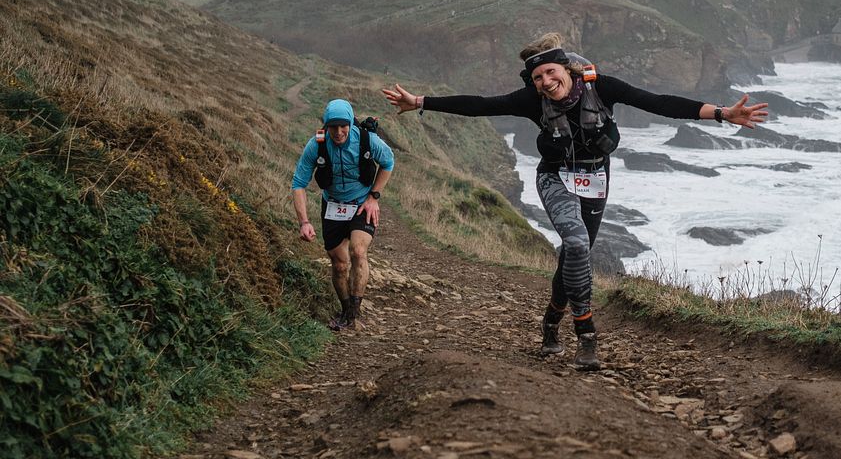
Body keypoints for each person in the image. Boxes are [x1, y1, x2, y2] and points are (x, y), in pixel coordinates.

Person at [382, 33, 767, 369]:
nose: (546, 82)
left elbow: (658, 102)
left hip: (597, 179)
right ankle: (586, 335)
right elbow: (480, 104)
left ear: (566, 69)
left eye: (551, 73)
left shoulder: (602, 87)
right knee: (578, 242)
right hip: (555, 178)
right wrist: (420, 102)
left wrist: (720, 113)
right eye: (538, 78)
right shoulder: (532, 101)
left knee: (573, 255)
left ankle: (551, 320)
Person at [291, 98, 395, 331]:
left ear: (351, 123)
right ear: (326, 126)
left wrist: (373, 197)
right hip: (333, 206)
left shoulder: (367, 140)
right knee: (339, 265)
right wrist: (304, 222)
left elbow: (388, 161)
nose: (339, 132)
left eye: (343, 126)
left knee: (358, 250)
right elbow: (298, 183)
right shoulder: (316, 145)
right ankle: (346, 309)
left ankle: (353, 314)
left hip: (361, 204)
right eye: (333, 127)